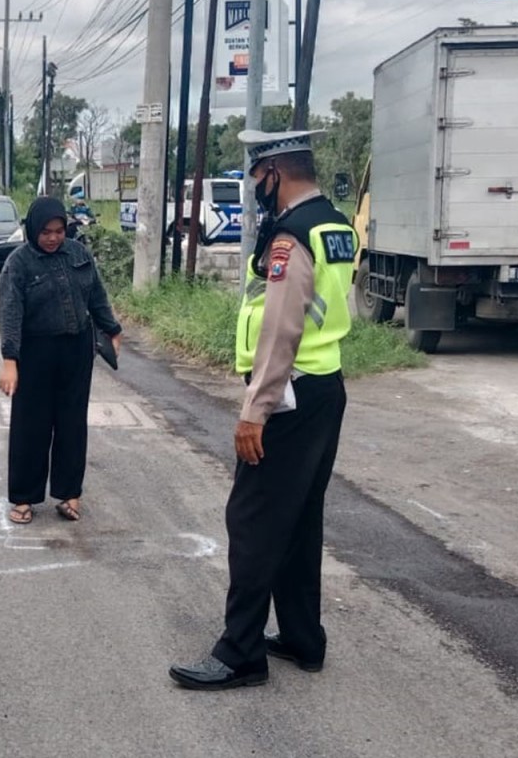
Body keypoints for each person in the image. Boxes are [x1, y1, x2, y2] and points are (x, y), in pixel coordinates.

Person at [169, 130, 356, 690]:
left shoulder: (291, 237)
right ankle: (303, 638)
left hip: (289, 392)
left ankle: (239, 654)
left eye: (256, 178)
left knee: (250, 522)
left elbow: (281, 329)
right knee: (299, 518)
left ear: (275, 171)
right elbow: (338, 307)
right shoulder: (335, 224)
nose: (254, 190)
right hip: (325, 388)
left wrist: (256, 409)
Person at [0, 196, 122, 525]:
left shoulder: (78, 254)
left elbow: (96, 294)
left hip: (76, 350)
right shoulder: (19, 264)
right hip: (35, 352)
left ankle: (69, 494)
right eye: (46, 232)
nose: (53, 238)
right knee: (31, 427)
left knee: (72, 424)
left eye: (58, 231)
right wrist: (10, 360)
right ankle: (24, 498)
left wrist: (111, 329)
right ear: (33, 230)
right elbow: (10, 314)